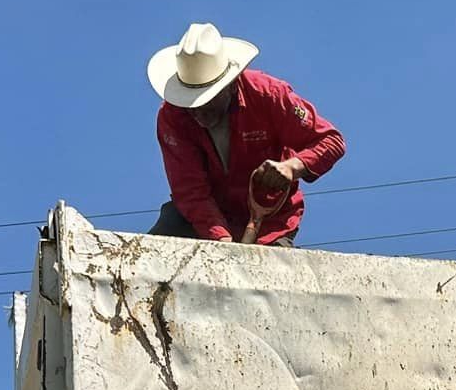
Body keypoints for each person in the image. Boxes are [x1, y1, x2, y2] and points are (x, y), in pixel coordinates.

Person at [147, 21, 345, 246]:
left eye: (207, 101)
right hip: (198, 222)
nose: (198, 112)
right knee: (156, 252)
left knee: (275, 276)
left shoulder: (268, 95)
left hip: (270, 224)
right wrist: (222, 239)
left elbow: (331, 141)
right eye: (190, 104)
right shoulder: (172, 117)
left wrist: (292, 167)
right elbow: (190, 190)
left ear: (231, 85)